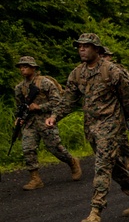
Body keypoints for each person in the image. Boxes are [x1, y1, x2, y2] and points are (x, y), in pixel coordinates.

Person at [47, 33, 129, 222]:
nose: (81, 49)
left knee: (102, 166)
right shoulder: (77, 73)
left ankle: (96, 212)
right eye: (79, 46)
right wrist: (54, 116)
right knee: (114, 165)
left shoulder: (112, 72)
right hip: (91, 128)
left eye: (86, 46)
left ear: (97, 49)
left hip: (111, 125)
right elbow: (68, 100)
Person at [14, 56, 81, 190]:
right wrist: (18, 118)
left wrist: (40, 107)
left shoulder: (45, 83)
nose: (22, 69)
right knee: (28, 148)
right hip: (30, 123)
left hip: (45, 120)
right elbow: (20, 106)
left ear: (34, 68)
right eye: (21, 66)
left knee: (55, 148)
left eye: (26, 66)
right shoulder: (19, 87)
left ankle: (72, 162)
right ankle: (35, 179)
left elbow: (57, 102)